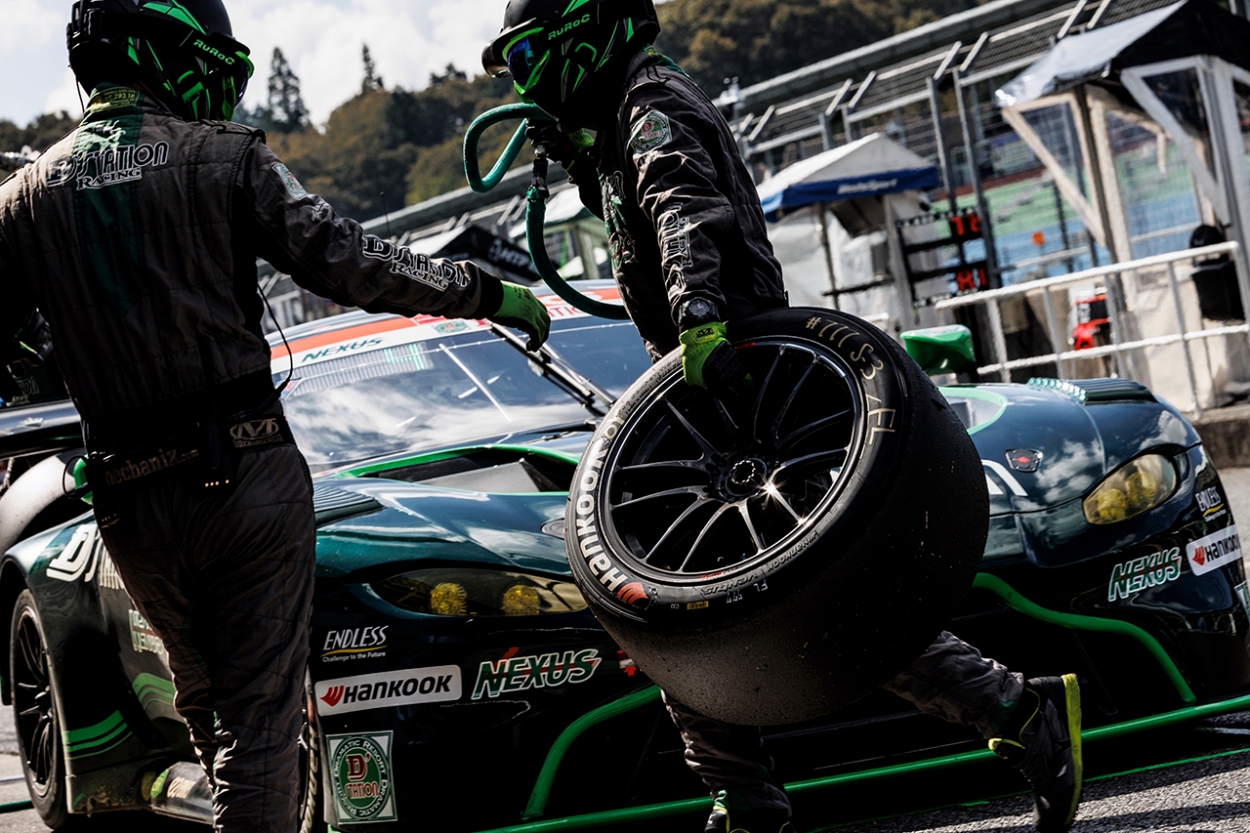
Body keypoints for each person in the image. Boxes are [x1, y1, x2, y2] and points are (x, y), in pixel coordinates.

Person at [481, 2, 1083, 832]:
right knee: (677, 608)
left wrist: (697, 313)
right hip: (707, 381)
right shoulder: (623, 116)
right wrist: (588, 161)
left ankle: (1011, 712)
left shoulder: (651, 105)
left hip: (742, 376)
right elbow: (643, 212)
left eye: (529, 57)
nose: (526, 82)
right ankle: (751, 793)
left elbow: (683, 206)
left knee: (801, 606)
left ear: (585, 34)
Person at [0, 1, 550, 830]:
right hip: (243, 478)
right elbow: (351, 261)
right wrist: (484, 290)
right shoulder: (224, 156)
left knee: (209, 713)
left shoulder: (19, 203)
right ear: (163, 52)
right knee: (261, 727)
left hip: (129, 501)